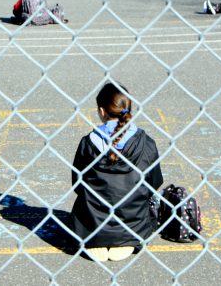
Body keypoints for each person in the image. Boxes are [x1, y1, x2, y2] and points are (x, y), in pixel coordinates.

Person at [70, 82, 163, 262]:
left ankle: (98, 239)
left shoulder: (87, 143)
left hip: (91, 225)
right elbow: (154, 183)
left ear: (102, 111)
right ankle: (124, 239)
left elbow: (77, 183)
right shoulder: (146, 143)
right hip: (133, 223)